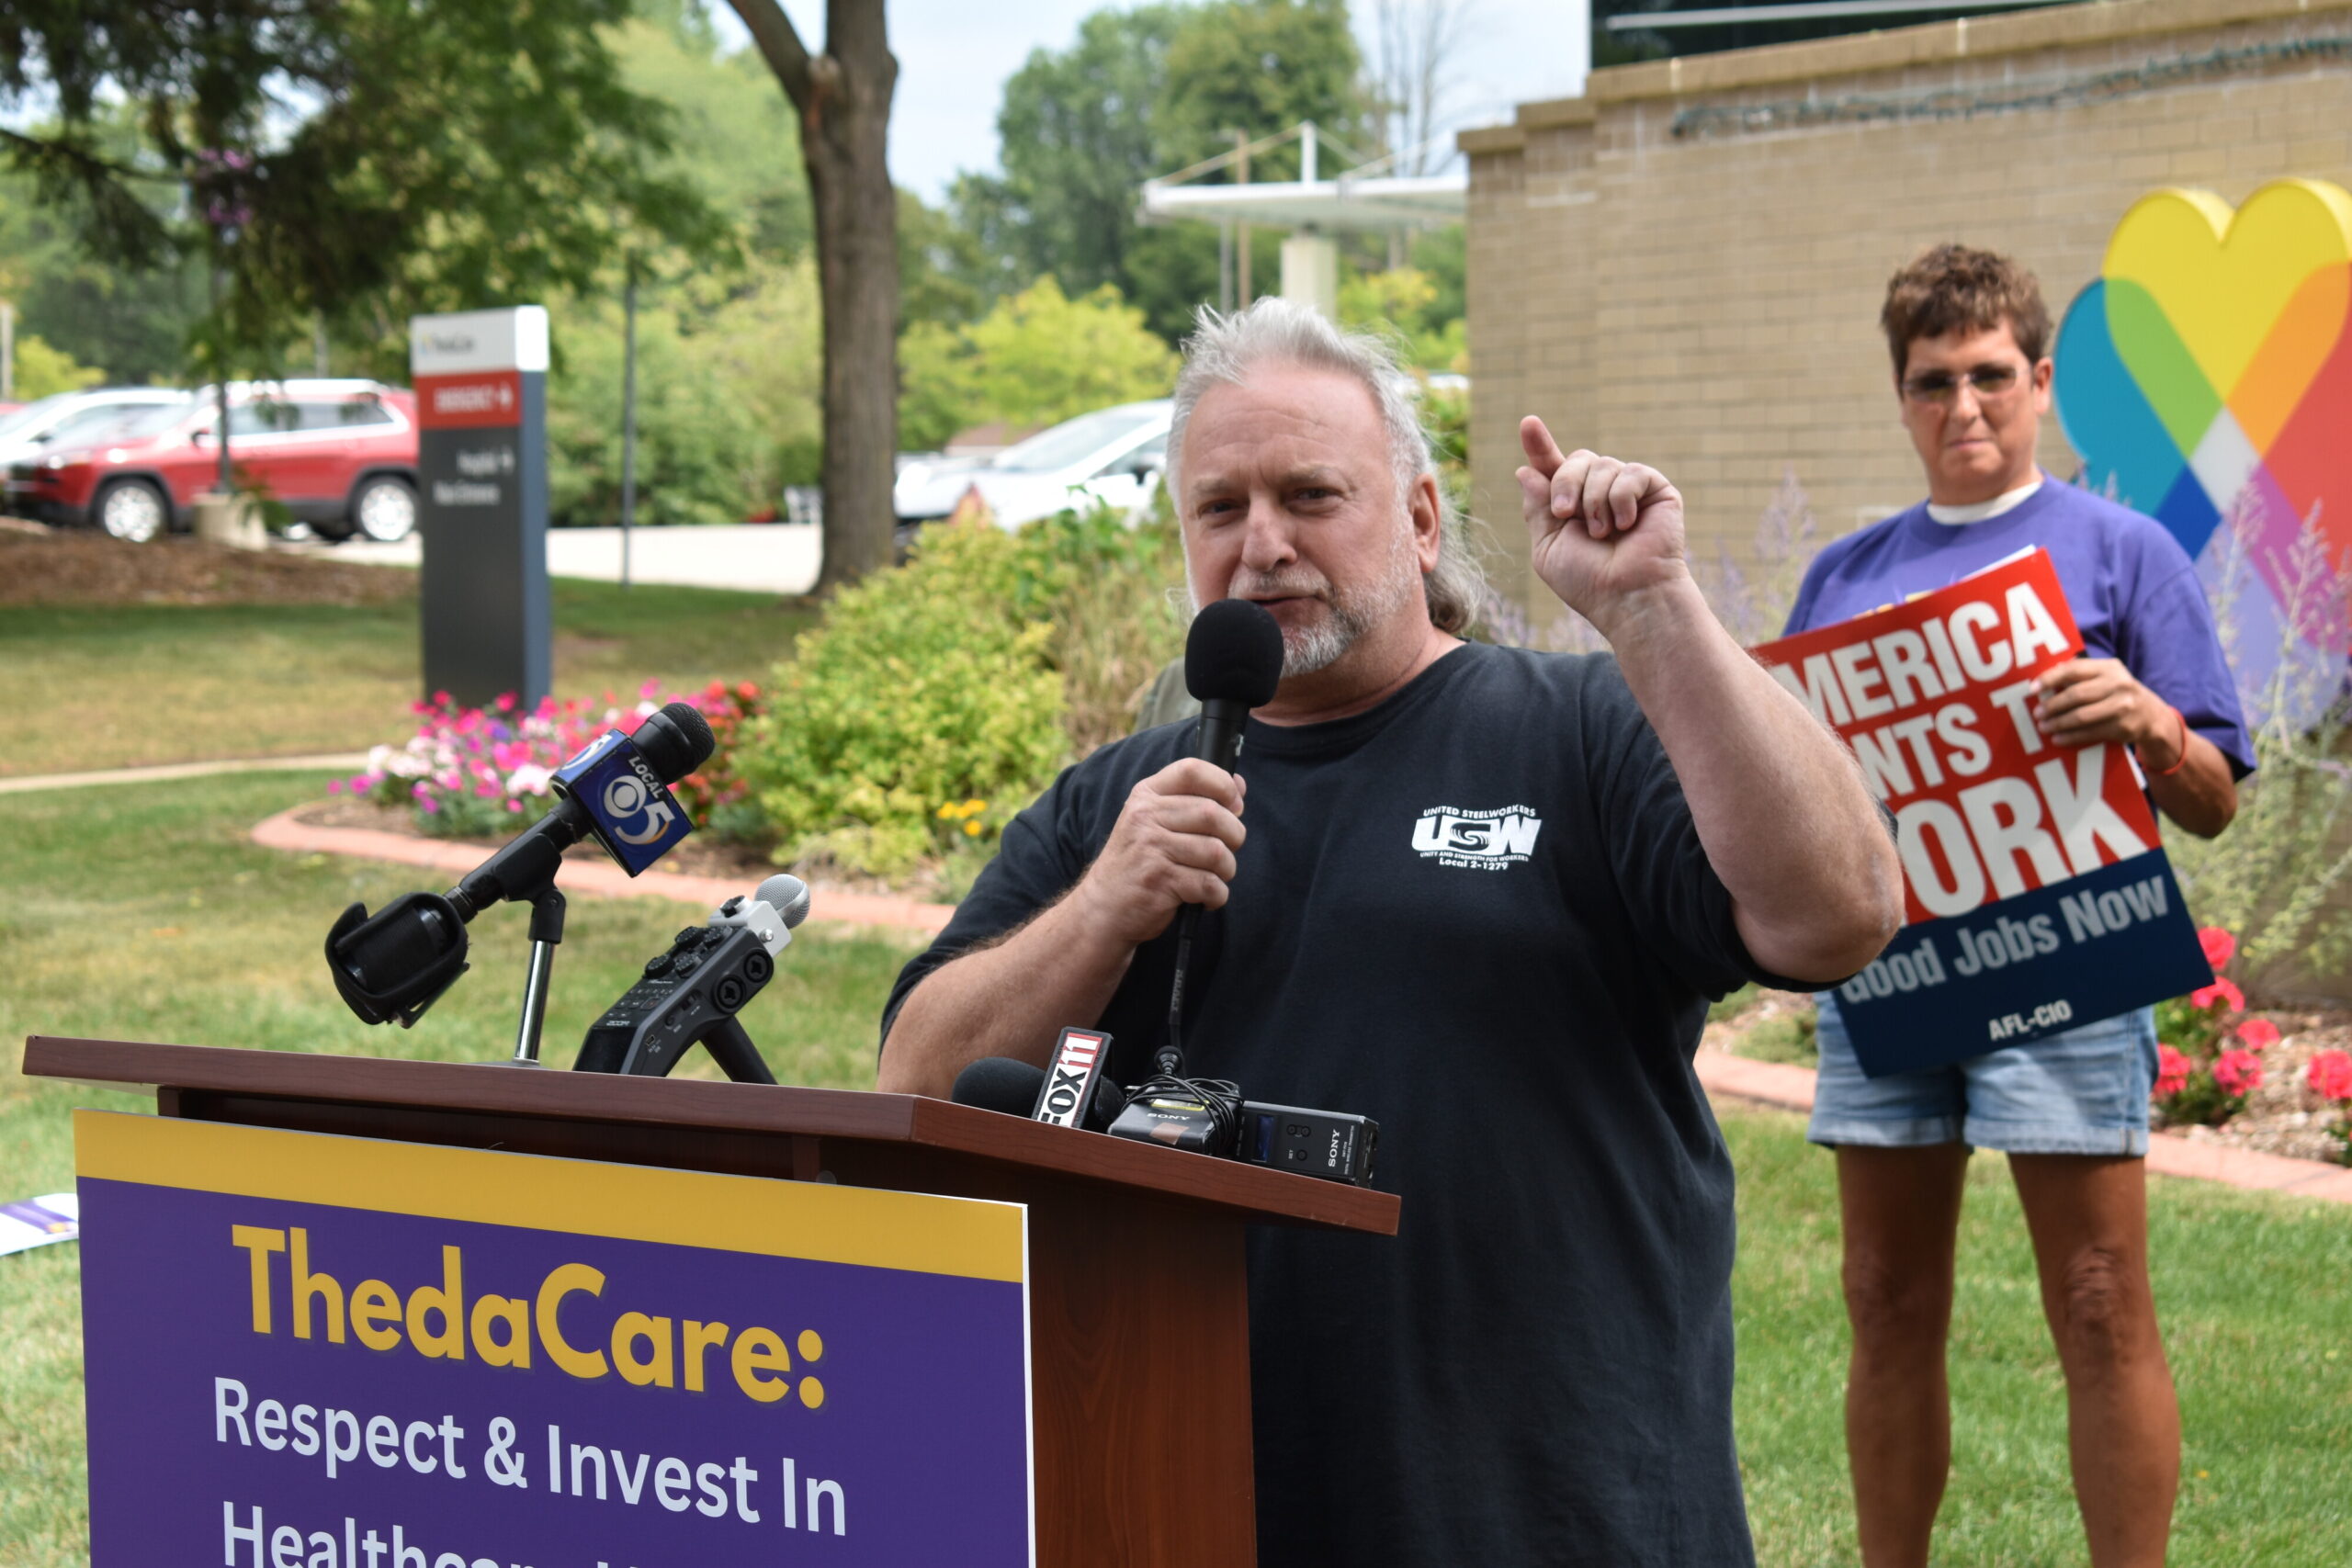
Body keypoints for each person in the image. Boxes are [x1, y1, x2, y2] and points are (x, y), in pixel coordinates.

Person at [878, 298, 1905, 1565]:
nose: (1263, 545)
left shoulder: (1578, 731)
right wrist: (1103, 910)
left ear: (1420, 520)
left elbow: (1839, 915)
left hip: (1548, 1512)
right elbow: (921, 1082)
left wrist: (1654, 614)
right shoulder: (1120, 800)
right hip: (1190, 1500)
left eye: (1311, 496)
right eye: (1220, 509)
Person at [1782, 244, 2255, 1568]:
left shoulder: (2127, 553)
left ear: (2041, 380)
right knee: (1882, 1299)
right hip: (1891, 970)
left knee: (2099, 1301)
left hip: (2074, 961)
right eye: (1934, 383)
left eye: (1992, 376)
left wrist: (2151, 723)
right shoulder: (1841, 578)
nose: (1965, 407)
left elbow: (2217, 800)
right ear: (1902, 398)